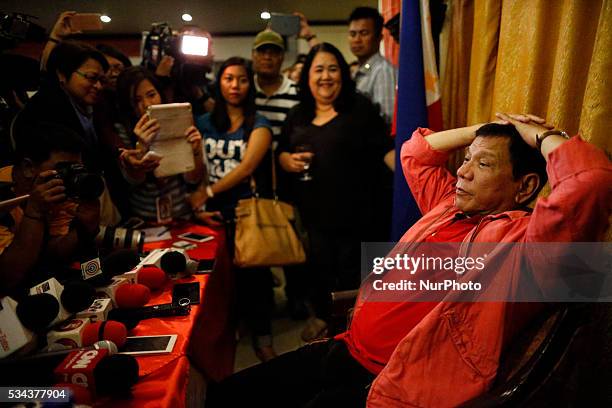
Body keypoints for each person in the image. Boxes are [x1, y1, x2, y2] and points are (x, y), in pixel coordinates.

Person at [204, 114, 612, 407]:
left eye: (483, 164)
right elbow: (416, 154)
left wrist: (539, 136)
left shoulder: (519, 243)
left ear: (524, 187)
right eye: (466, 159)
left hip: (392, 382)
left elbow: (590, 183)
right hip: (346, 348)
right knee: (227, 394)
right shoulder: (447, 205)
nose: (463, 173)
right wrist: (485, 131)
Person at [277, 43, 390, 341]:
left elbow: (385, 152)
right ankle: (323, 318)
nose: (326, 76)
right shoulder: (297, 115)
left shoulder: (360, 109)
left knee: (355, 274)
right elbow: (282, 153)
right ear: (307, 77)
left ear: (342, 73)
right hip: (313, 215)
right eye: (318, 69)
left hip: (359, 214)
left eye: (332, 68)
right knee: (319, 269)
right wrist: (287, 161)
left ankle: (357, 329)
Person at [192, 57, 275, 361]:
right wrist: (199, 200)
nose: (235, 85)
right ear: (220, 82)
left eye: (241, 79)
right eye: (228, 78)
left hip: (246, 213)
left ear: (249, 84)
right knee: (221, 281)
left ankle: (263, 336)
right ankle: (232, 330)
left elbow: (246, 167)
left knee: (257, 279)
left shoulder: (259, 123)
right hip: (210, 214)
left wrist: (207, 192)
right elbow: (193, 167)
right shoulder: (203, 122)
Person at [0, 123, 100, 296]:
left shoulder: (59, 187)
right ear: (28, 168)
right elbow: (7, 276)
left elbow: (53, 252)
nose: (73, 176)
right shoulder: (4, 197)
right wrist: (35, 213)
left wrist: (84, 228)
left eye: (77, 168)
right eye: (65, 169)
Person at [250, 29, 308, 320]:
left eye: (273, 52)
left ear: (282, 56)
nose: (268, 57)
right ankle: (262, 300)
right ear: (254, 56)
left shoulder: (296, 92)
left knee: (291, 234)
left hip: (288, 174)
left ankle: (297, 296)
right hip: (252, 173)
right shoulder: (246, 91)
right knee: (255, 234)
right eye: (262, 51)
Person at [115, 67, 205, 223]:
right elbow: (135, 180)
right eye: (136, 100)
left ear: (160, 94)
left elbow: (193, 179)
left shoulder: (180, 121)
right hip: (144, 219)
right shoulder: (122, 130)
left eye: (151, 95)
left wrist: (196, 151)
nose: (147, 104)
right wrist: (141, 146)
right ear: (128, 104)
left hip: (181, 216)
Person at [296, 7, 397, 128]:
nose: (357, 40)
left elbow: (388, 121)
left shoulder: (383, 71)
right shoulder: (358, 71)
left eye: (364, 33)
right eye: (352, 34)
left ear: (379, 38)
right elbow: (324, 58)